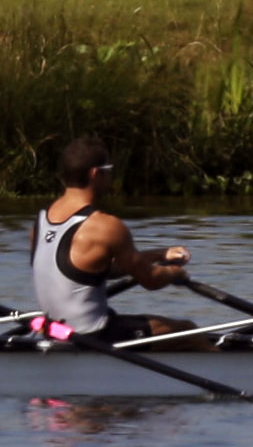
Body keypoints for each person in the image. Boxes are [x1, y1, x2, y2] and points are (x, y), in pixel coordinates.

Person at [28, 137, 193, 343]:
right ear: (95, 174)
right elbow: (151, 280)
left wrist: (159, 254)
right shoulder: (105, 226)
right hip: (92, 336)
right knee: (188, 332)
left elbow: (96, 269)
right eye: (109, 171)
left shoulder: (40, 222)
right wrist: (175, 272)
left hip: (52, 333)